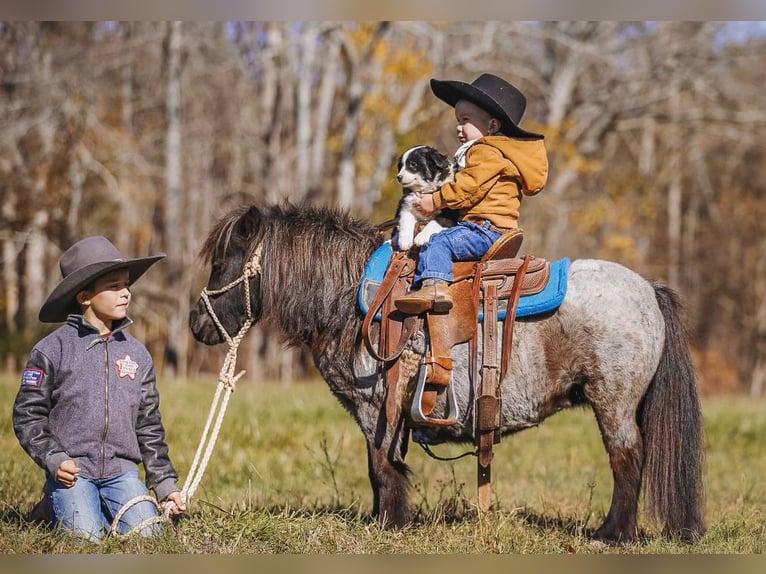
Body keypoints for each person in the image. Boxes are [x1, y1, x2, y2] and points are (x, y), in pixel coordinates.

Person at [13, 236, 186, 542]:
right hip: (73, 473)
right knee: (85, 538)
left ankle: (101, 506)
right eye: (115, 286)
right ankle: (52, 507)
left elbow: (149, 426)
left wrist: (165, 485)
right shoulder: (51, 350)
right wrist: (54, 459)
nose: (126, 293)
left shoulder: (137, 354)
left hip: (122, 473)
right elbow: (28, 416)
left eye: (127, 285)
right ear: (84, 296)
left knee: (149, 537)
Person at [394, 73, 549, 315]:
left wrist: (433, 201)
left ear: (492, 126)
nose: (458, 127)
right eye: (457, 119)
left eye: (465, 119)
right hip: (488, 227)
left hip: (483, 229)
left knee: (438, 242)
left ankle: (434, 287)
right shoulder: (496, 153)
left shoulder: (486, 152)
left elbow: (468, 187)